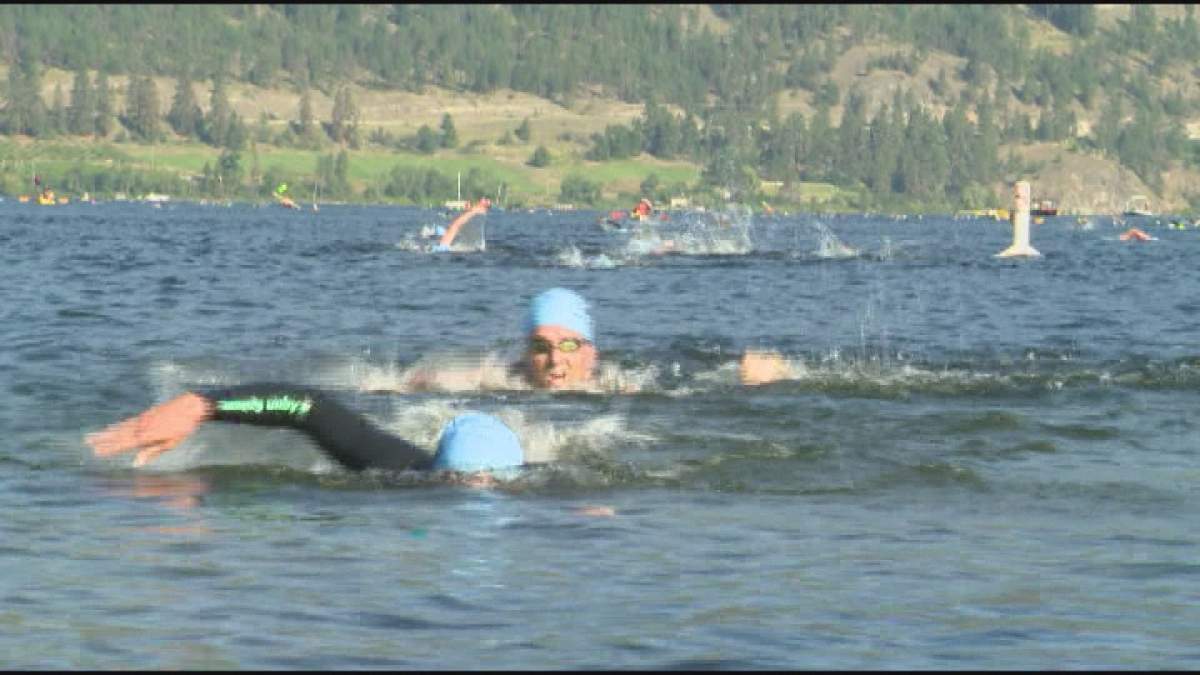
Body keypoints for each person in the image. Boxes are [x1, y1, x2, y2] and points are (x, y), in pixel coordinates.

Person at [87, 382, 525, 479]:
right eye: (455, 481)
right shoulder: (403, 470)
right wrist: (203, 404)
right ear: (437, 472)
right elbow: (308, 409)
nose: (465, 493)